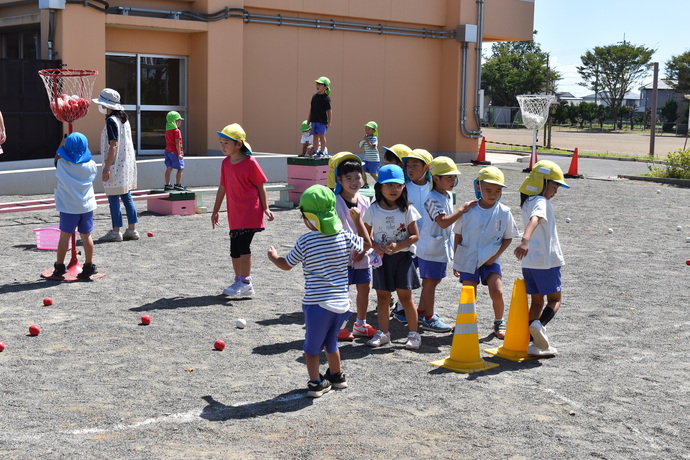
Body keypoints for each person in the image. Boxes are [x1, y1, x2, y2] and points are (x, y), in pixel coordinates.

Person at [267, 184, 370, 397]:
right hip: (342, 305)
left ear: (309, 218)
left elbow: (286, 264)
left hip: (317, 305)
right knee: (331, 342)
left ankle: (315, 383)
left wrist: (273, 257)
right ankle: (336, 376)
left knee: (312, 347)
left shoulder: (306, 240)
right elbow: (367, 244)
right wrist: (358, 220)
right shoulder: (344, 236)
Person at [453, 166, 520, 339]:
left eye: (497, 191)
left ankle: (499, 321)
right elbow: (458, 235)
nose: (493, 194)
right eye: (488, 190)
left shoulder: (504, 212)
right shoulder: (468, 210)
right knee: (469, 291)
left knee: (496, 290)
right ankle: (465, 321)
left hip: (491, 260)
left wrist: (494, 257)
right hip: (468, 258)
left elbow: (508, 238)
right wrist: (456, 260)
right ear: (478, 187)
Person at [362, 164, 423, 350]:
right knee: (382, 297)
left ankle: (414, 334)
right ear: (379, 187)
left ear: (403, 187)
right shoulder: (372, 210)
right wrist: (376, 246)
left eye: (397, 185)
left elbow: (415, 236)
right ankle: (383, 333)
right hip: (381, 260)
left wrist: (398, 246)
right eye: (388, 185)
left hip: (403, 258)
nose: (393, 189)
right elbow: (365, 237)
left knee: (406, 297)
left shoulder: (407, 210)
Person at [415, 157, 478, 332]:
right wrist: (462, 209)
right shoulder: (432, 198)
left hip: (437, 247)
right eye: (448, 177)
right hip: (431, 248)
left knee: (431, 281)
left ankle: (421, 312)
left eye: (454, 177)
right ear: (436, 178)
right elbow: (442, 222)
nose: (453, 181)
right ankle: (429, 317)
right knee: (431, 281)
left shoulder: (446, 195)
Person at [514, 160, 570, 356]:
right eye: (554, 186)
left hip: (529, 264)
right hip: (547, 261)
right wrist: (525, 240)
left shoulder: (527, 201)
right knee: (555, 300)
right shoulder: (541, 202)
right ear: (543, 183)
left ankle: (532, 344)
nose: (555, 192)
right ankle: (539, 325)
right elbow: (535, 220)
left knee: (536, 302)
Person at [212, 123, 275, 297]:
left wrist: (266, 208)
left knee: (243, 246)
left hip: (250, 212)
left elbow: (261, 187)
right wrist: (215, 210)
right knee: (234, 249)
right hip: (235, 214)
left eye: (226, 143)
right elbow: (222, 188)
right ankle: (239, 280)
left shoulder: (250, 162)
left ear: (239, 144)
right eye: (221, 142)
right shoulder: (225, 163)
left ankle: (246, 281)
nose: (222, 146)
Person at [329, 152, 378, 340]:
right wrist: (353, 248)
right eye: (348, 178)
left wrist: (363, 248)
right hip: (342, 255)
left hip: (363, 254)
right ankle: (339, 325)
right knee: (341, 291)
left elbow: (369, 227)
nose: (354, 181)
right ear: (339, 179)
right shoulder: (334, 202)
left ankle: (360, 323)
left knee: (364, 288)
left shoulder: (366, 201)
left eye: (357, 177)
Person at [93, 88, 139, 242]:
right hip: (125, 164)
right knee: (127, 196)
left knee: (113, 197)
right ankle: (132, 229)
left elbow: (113, 145)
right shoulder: (123, 120)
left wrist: (106, 167)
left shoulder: (111, 121)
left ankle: (116, 231)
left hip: (115, 164)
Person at [392, 148, 433, 324]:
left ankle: (424, 309)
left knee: (428, 278)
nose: (410, 168)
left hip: (429, 241)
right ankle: (401, 309)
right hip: (409, 241)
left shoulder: (433, 187)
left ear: (427, 167)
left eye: (415, 165)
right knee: (405, 277)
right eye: (408, 165)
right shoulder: (404, 188)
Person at [51, 132, 99, 280]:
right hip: (86, 206)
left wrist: (62, 142)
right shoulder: (91, 165)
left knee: (64, 237)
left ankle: (59, 267)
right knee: (86, 236)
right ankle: (89, 265)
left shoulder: (62, 164)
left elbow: (57, 158)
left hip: (68, 207)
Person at [307, 76, 332, 157]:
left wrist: (329, 121)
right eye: (317, 84)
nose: (317, 85)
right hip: (314, 120)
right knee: (315, 136)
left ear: (325, 87)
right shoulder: (314, 96)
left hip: (322, 120)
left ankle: (322, 151)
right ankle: (315, 150)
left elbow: (329, 110)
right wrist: (309, 120)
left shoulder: (326, 98)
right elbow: (312, 108)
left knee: (321, 135)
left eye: (320, 84)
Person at [163, 111, 187, 191]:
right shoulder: (177, 131)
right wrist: (179, 153)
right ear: (175, 121)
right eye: (179, 120)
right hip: (175, 152)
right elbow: (177, 142)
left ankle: (167, 184)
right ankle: (178, 184)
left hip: (167, 151)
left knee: (169, 168)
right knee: (180, 168)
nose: (180, 122)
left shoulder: (167, 131)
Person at [359, 121, 380, 188]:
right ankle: (366, 184)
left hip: (374, 159)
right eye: (366, 129)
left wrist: (366, 140)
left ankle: (380, 184)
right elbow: (360, 146)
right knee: (362, 171)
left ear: (374, 130)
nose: (366, 131)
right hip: (366, 158)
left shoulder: (374, 138)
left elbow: (372, 147)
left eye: (368, 129)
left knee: (373, 174)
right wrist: (363, 140)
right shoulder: (365, 137)